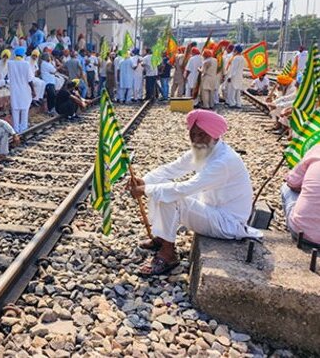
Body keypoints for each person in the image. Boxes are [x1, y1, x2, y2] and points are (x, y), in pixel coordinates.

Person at [128, 110, 261, 275]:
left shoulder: (224, 161)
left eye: (202, 135)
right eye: (193, 134)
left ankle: (168, 255)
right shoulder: (204, 148)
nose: (196, 139)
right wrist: (145, 181)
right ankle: (161, 238)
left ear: (214, 135)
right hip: (211, 208)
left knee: (172, 197)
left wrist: (145, 190)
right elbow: (173, 168)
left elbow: (185, 188)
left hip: (227, 223)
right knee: (161, 186)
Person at [280, 145, 320, 247]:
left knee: (286, 188)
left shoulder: (317, 150)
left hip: (304, 233)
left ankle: (302, 220)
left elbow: (292, 182)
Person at [7, 47, 36, 132]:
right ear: (23, 54)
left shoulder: (10, 63)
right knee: (24, 110)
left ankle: (16, 129)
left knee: (15, 110)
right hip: (24, 90)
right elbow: (30, 79)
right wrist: (33, 90)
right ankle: (23, 129)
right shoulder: (26, 64)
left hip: (14, 90)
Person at [225, 44, 244, 108]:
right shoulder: (242, 57)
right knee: (237, 92)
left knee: (231, 91)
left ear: (236, 50)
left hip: (234, 77)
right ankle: (238, 104)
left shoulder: (236, 58)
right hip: (239, 76)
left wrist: (230, 77)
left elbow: (233, 69)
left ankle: (232, 103)